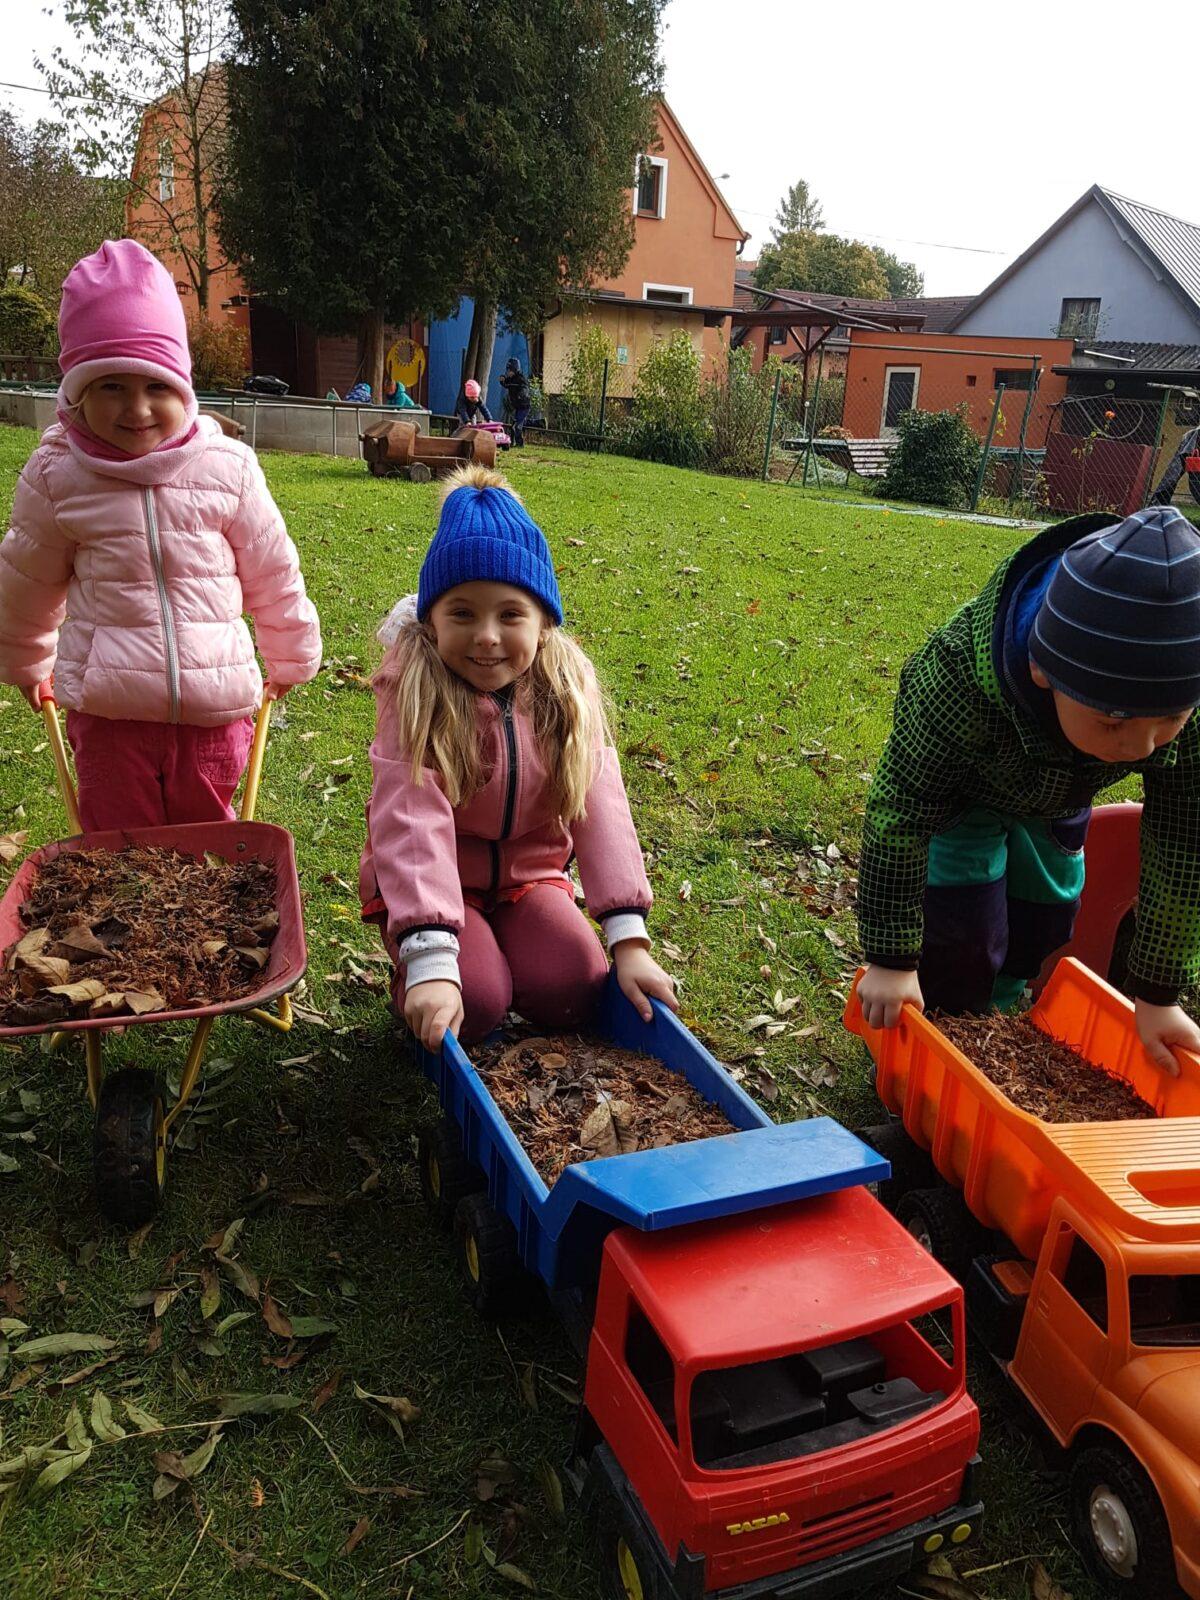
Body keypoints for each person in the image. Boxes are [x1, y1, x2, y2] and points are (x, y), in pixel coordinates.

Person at [855, 506, 1200, 1074]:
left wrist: (1158, 993)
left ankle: (999, 1011)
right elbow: (902, 808)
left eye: (1169, 720)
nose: (1143, 747)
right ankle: (935, 1033)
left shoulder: (1178, 719)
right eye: (1114, 720)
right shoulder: (955, 678)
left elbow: (1184, 844)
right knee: (961, 935)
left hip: (1062, 795)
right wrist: (890, 958)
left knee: (1047, 919)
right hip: (961, 798)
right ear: (1044, 671)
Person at [0, 239, 322, 832]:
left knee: (208, 844)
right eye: (111, 387)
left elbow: (271, 570)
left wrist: (291, 651)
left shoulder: (228, 467)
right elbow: (27, 580)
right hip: (110, 714)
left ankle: (208, 928)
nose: (137, 409)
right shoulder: (58, 477)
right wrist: (25, 662)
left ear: (183, 386)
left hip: (212, 708)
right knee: (119, 844)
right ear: (77, 394)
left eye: (156, 386)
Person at [359, 462, 677, 1050]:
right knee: (474, 1002)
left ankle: (504, 943)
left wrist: (628, 941)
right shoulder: (415, 689)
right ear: (430, 620)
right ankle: (426, 969)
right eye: (462, 613)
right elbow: (409, 819)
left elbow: (598, 803)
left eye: (510, 614)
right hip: (439, 882)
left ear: (544, 623)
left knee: (574, 988)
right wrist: (430, 960)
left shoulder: (566, 687)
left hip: (530, 879)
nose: (486, 636)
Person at [498, 357, 532, 448]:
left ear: (515, 370)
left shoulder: (520, 379)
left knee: (517, 426)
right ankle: (539, 423)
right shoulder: (511, 379)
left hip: (524, 406)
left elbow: (525, 388)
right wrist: (503, 380)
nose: (508, 372)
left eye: (510, 371)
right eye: (507, 370)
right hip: (517, 406)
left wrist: (522, 393)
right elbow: (506, 384)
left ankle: (520, 444)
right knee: (515, 424)